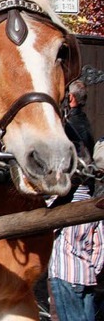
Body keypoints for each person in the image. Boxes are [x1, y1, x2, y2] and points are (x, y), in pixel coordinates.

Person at [47, 80, 104, 321]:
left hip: (65, 273)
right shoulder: (82, 125)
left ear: (70, 99)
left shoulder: (72, 127)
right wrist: (94, 269)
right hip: (87, 274)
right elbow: (99, 245)